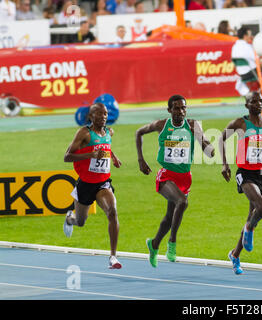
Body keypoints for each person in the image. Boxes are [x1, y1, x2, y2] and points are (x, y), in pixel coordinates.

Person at [136, 94, 215, 268]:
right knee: (182, 202)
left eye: (183, 108)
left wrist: (207, 145)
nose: (181, 111)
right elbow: (139, 133)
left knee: (169, 217)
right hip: (166, 176)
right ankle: (172, 243)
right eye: (177, 108)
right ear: (169, 110)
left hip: (185, 177)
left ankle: (154, 244)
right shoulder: (162, 125)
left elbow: (206, 147)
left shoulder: (193, 125)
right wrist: (141, 159)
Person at [220, 91, 262, 275]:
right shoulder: (240, 123)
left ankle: (235, 255)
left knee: (252, 215)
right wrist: (225, 165)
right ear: (247, 105)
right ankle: (248, 229)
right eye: (254, 101)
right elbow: (222, 139)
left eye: (261, 100)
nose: (259, 103)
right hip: (246, 173)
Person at [63, 102, 123, 269]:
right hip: (86, 184)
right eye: (98, 114)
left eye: (105, 114)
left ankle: (113, 257)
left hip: (103, 183)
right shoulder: (84, 133)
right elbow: (67, 157)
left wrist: (113, 156)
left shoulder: (109, 131)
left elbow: (106, 146)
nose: (103, 117)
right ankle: (70, 218)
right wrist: (90, 154)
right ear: (91, 116)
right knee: (80, 221)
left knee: (112, 211)